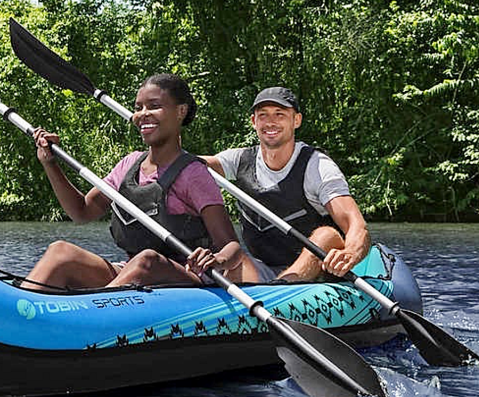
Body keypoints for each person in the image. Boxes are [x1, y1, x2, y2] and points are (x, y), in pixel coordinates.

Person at [24, 74, 257, 291]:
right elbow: (81, 212)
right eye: (138, 108)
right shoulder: (129, 164)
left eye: (154, 106)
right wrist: (50, 164)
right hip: (132, 276)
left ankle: (93, 314)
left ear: (181, 111)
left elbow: (232, 246)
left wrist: (218, 260)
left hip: (185, 283)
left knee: (148, 260)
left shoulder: (194, 173)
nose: (143, 114)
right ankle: (19, 313)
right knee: (61, 252)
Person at [202, 86, 370, 282]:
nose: (270, 122)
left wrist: (350, 253)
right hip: (265, 269)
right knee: (232, 259)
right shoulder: (239, 159)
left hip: (318, 270)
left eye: (280, 114)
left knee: (326, 235)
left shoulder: (317, 166)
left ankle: (282, 288)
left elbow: (355, 224)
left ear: (296, 120)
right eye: (263, 115)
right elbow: (194, 165)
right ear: (254, 122)